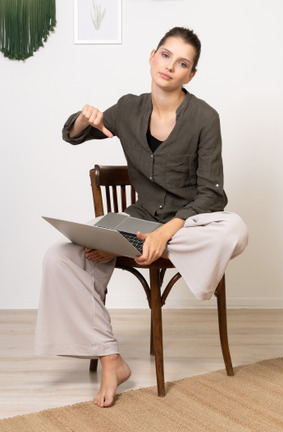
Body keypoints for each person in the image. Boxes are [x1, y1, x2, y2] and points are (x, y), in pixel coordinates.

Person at [35, 27, 248, 408]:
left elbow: (212, 193)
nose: (170, 66)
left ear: (191, 75)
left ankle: (137, 244)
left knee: (234, 228)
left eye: (182, 63)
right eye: (165, 55)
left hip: (184, 227)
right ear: (152, 57)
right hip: (137, 222)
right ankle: (109, 358)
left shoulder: (204, 118)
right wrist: (86, 118)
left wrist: (164, 235)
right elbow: (74, 135)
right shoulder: (128, 108)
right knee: (59, 256)